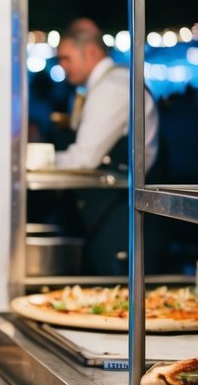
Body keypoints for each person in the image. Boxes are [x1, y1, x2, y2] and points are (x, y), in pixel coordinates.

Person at [53, 22, 161, 273]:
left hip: (122, 213)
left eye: (66, 58)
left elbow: (84, 158)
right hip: (110, 211)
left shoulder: (112, 87)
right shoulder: (101, 86)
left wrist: (34, 160)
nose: (62, 66)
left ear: (90, 52)